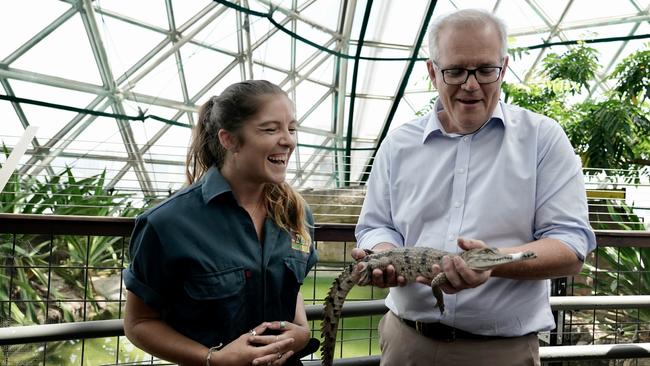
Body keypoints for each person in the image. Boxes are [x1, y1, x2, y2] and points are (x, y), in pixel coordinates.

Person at [354, 9, 596, 366]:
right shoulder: (398, 144)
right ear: (433, 71)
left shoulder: (543, 138)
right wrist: (387, 255)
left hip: (501, 352)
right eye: (455, 71)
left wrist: (493, 263)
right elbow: (375, 225)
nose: (471, 84)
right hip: (407, 343)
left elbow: (571, 245)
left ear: (504, 68)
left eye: (485, 70)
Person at [123, 80, 319, 366]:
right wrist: (214, 359)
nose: (288, 140)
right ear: (229, 140)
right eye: (270, 129)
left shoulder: (296, 215)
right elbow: (139, 323)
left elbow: (292, 287)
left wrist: (300, 330)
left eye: (291, 128)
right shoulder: (167, 223)